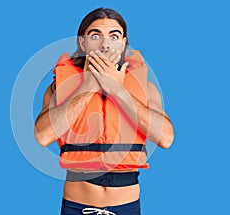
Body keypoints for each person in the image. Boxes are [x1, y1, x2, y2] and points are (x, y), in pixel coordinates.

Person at [34, 7, 174, 215]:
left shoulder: (145, 88)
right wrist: (87, 87)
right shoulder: (59, 87)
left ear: (124, 43)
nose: (105, 44)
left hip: (127, 207)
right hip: (76, 206)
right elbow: (43, 136)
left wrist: (117, 90)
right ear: (82, 43)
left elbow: (165, 138)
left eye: (114, 36)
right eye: (95, 35)